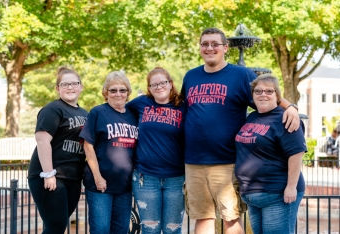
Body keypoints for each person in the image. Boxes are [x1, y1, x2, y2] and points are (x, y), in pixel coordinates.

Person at [180, 27, 300, 234]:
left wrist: (290, 108)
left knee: (231, 219)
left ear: (225, 47)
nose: (209, 48)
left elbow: (266, 98)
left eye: (214, 44)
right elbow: (182, 110)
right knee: (202, 217)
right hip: (194, 162)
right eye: (205, 44)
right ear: (200, 48)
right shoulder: (191, 76)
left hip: (227, 161)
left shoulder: (241, 75)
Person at [235, 74, 306, 234]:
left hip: (277, 194)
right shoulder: (252, 117)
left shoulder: (286, 118)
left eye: (269, 91)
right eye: (258, 91)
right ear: (252, 95)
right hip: (253, 194)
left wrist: (291, 187)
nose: (263, 94)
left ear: (277, 95)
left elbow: (296, 153)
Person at [28, 67, 88, 234]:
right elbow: (42, 140)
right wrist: (49, 174)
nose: (70, 87)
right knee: (56, 227)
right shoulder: (52, 109)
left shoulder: (85, 113)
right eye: (65, 84)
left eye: (74, 83)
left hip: (72, 178)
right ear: (57, 88)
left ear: (81, 87)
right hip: (50, 176)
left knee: (56, 226)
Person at [127, 67, 185, 234]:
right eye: (154, 85)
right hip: (146, 178)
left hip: (176, 178)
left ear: (170, 84)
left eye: (163, 82)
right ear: (149, 88)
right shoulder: (140, 104)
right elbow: (118, 112)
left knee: (172, 229)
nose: (159, 87)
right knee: (150, 229)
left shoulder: (182, 106)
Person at [79, 71, 138, 234]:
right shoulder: (98, 112)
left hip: (125, 186)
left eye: (122, 90)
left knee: (121, 230)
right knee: (101, 229)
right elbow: (88, 146)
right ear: (106, 93)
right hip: (101, 185)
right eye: (113, 90)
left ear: (128, 93)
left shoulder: (134, 115)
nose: (118, 94)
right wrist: (98, 177)